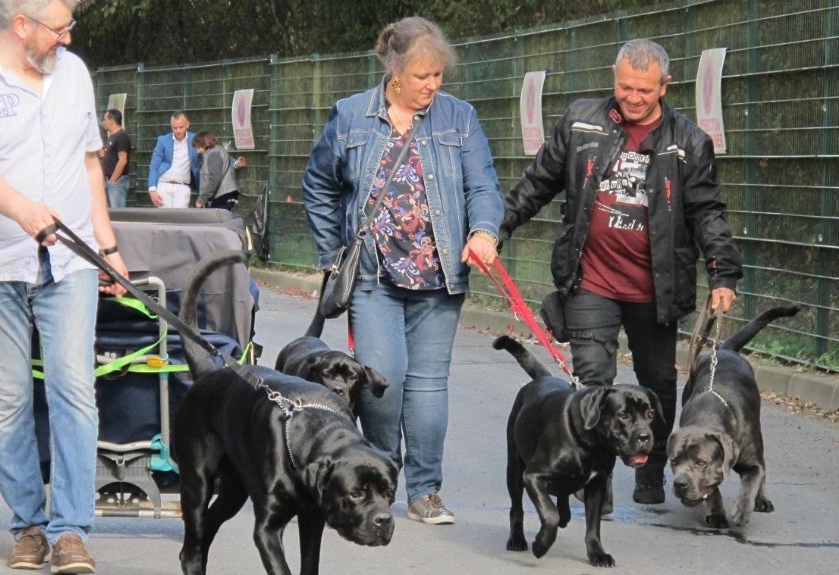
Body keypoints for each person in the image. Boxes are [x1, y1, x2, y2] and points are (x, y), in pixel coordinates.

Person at [498, 39, 743, 506]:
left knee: (657, 386)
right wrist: (496, 229)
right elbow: (537, 184)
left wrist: (722, 275)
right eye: (625, 86)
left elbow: (707, 213)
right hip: (590, 279)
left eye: (644, 91)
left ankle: (651, 472)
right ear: (614, 77)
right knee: (594, 386)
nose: (633, 97)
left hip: (657, 287)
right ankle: (597, 481)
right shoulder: (580, 121)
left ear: (666, 86)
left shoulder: (688, 142)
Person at [0, 1, 128, 572]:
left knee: (74, 389)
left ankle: (71, 528)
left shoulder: (74, 74)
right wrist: (24, 211)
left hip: (67, 264)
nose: (67, 41)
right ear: (22, 26)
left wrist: (107, 245)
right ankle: (27, 524)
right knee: (8, 401)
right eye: (59, 29)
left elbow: (90, 163)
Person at [302, 17, 504, 526]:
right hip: (373, 277)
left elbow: (484, 185)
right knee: (382, 380)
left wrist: (484, 231)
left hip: (441, 277)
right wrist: (333, 255)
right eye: (422, 76)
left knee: (430, 386)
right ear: (395, 69)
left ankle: (426, 490)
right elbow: (319, 186)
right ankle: (380, 474)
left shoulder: (459, 117)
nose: (432, 85)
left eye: (438, 75)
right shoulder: (351, 116)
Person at [146, 110, 244, 208]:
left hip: (182, 186)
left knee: (180, 219)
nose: (178, 130)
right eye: (175, 128)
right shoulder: (163, 140)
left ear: (187, 125)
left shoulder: (195, 139)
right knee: (164, 218)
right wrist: (152, 190)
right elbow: (154, 165)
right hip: (164, 184)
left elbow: (214, 150)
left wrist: (235, 162)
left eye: (181, 127)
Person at [192, 131, 239, 210]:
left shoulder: (213, 154)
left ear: (204, 143)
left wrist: (202, 199)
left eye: (198, 147)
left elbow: (214, 178)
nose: (198, 151)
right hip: (226, 195)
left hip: (221, 196)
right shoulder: (219, 150)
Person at [99, 108, 131, 208]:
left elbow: (123, 160)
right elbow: (113, 155)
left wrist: (112, 180)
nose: (104, 122)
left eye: (105, 119)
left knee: (118, 215)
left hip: (116, 183)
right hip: (108, 182)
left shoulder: (121, 136)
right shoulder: (112, 137)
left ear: (111, 121)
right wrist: (104, 154)